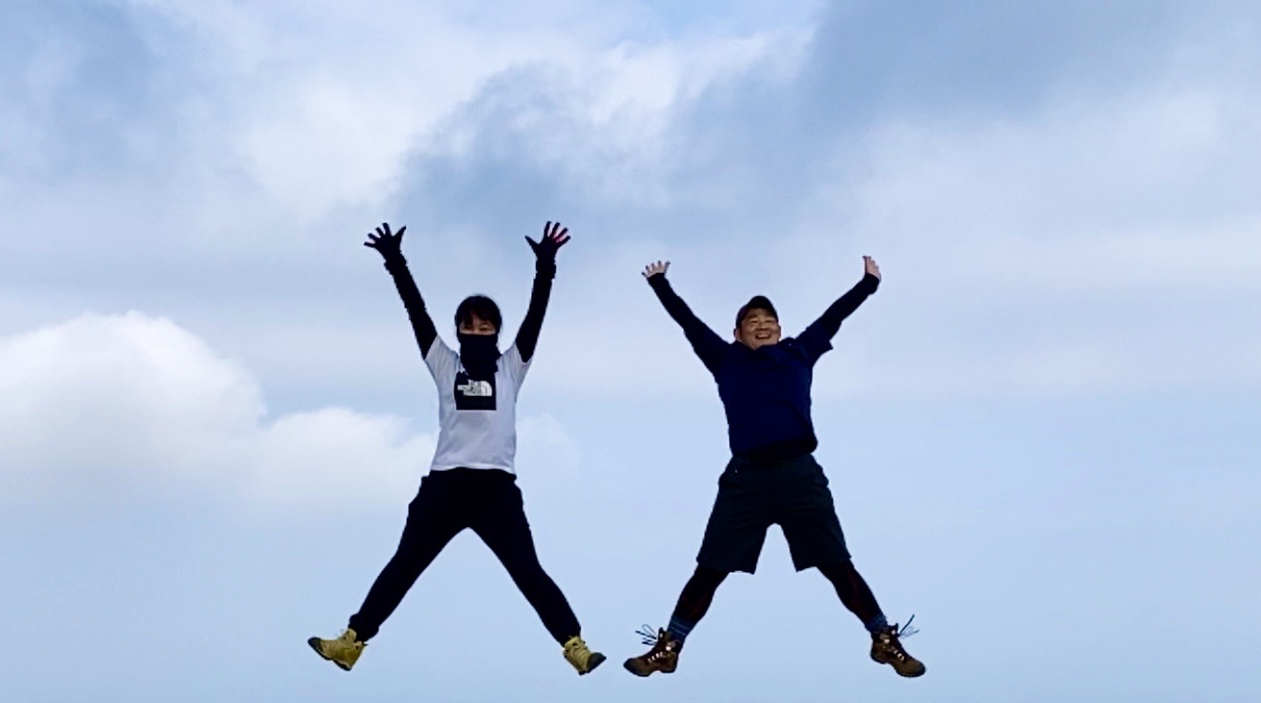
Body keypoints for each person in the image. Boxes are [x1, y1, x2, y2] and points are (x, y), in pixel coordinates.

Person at [309, 221, 606, 675]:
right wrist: (395, 262)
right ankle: (352, 642)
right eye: (467, 325)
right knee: (404, 566)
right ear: (458, 330)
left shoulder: (512, 366)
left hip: (496, 489)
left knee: (528, 572)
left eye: (485, 325)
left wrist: (545, 267)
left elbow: (536, 316)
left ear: (496, 331)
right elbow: (416, 311)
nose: (476, 331)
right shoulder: (443, 362)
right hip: (445, 486)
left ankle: (574, 645)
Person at [623, 255, 924, 679]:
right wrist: (660, 286)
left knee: (837, 564)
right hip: (746, 477)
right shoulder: (724, 359)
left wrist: (868, 284)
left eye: (769, 320)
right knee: (710, 569)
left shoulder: (800, 352)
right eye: (752, 321)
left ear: (779, 329)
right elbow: (688, 322)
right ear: (737, 332)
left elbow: (833, 317)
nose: (762, 325)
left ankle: (883, 640)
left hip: (800, 473)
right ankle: (669, 647)